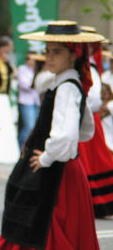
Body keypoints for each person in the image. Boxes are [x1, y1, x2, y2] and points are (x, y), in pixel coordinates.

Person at [0, 20, 101, 250]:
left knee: (41, 227)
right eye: (47, 51)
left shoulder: (67, 87)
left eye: (57, 52)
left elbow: (69, 134)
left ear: (73, 55)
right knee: (34, 225)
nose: (49, 57)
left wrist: (46, 157)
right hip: (60, 168)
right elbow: (85, 129)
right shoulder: (65, 83)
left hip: (54, 171)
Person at [76, 26, 113, 218]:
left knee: (94, 161)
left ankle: (94, 201)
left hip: (87, 119)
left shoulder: (89, 68)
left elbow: (93, 99)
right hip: (86, 118)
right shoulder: (84, 66)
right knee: (88, 162)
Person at [17, 53, 41, 149]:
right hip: (26, 102)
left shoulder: (38, 69)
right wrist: (35, 84)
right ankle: (19, 147)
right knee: (28, 127)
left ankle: (29, 148)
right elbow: (24, 84)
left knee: (35, 127)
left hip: (37, 101)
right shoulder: (22, 69)